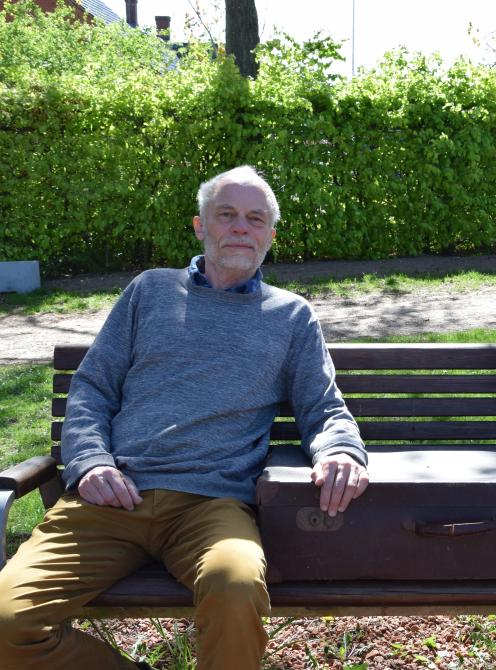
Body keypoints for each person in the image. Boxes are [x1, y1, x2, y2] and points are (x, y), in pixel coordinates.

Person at [0, 166, 369, 670]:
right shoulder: (149, 291)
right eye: (226, 214)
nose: (241, 228)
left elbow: (323, 408)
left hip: (213, 505)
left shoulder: (291, 316)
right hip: (112, 498)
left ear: (270, 235)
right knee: (7, 623)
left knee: (235, 586)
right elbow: (92, 387)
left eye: (255, 219)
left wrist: (341, 451)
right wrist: (89, 462)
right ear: (200, 226)